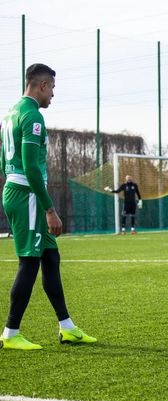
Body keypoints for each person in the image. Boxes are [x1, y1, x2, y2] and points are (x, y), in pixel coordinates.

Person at [0, 63, 96, 350]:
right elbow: (31, 167)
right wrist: (49, 209)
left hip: (18, 191)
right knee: (29, 262)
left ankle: (67, 328)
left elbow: (3, 162)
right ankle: (10, 333)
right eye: (52, 88)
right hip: (27, 195)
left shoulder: (10, 113)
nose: (53, 94)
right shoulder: (32, 116)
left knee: (50, 258)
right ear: (41, 85)